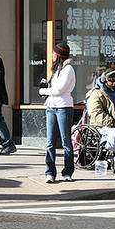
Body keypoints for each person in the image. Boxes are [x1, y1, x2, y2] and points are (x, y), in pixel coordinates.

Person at [39, 43, 75, 183]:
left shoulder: (68, 69)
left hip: (64, 107)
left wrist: (42, 91)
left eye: (54, 53)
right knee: (50, 142)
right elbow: (54, 88)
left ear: (59, 54)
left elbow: (59, 90)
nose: (52, 55)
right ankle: (50, 172)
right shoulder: (57, 69)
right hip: (51, 108)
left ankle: (67, 172)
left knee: (66, 141)